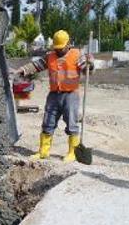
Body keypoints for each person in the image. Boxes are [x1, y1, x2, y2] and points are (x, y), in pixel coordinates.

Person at [13, 30, 92, 162]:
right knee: (48, 122)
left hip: (70, 95)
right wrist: (22, 70)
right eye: (57, 48)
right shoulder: (50, 56)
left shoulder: (77, 55)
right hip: (54, 95)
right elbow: (36, 65)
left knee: (71, 124)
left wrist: (90, 64)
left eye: (61, 48)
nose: (59, 50)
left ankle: (72, 152)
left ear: (68, 45)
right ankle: (43, 152)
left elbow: (88, 70)